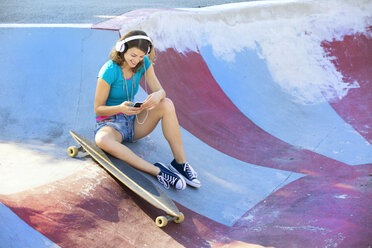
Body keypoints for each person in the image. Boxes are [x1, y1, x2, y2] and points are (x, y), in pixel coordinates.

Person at [94, 30, 201, 190]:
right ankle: (158, 171)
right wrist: (120, 108)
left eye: (141, 56)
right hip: (110, 124)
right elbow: (98, 109)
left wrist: (157, 96)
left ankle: (180, 164)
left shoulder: (143, 64)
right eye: (133, 55)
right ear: (121, 48)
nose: (136, 60)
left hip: (134, 121)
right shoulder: (109, 71)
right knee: (102, 140)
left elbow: (161, 91)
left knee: (167, 103)